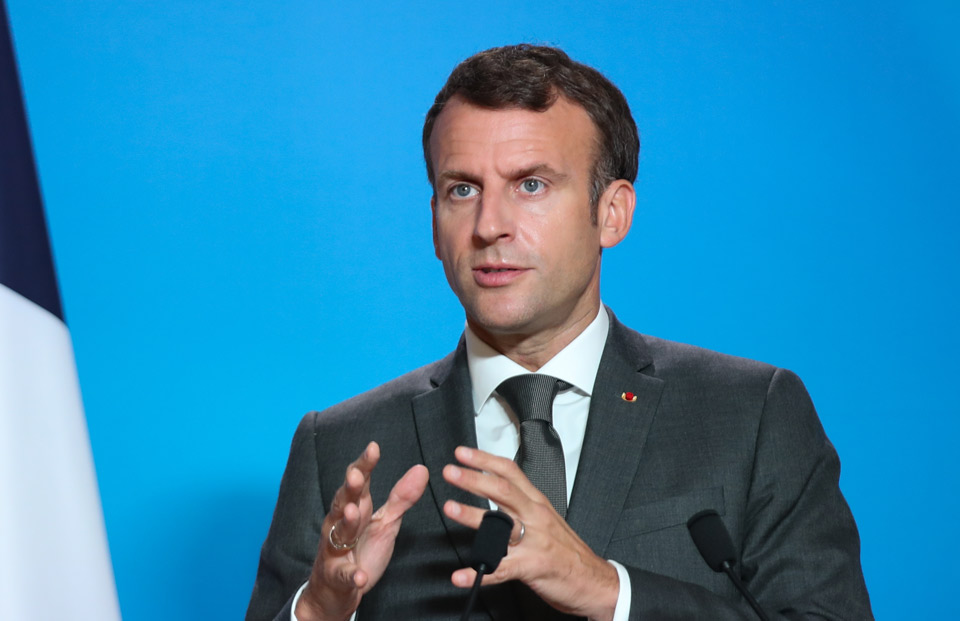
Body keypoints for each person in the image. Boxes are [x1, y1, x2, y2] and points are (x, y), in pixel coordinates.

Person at [246, 44, 873, 621]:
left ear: (612, 213)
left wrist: (608, 590)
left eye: (531, 185)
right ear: (434, 222)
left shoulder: (751, 416)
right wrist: (319, 611)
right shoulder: (338, 447)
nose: (489, 225)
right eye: (462, 189)